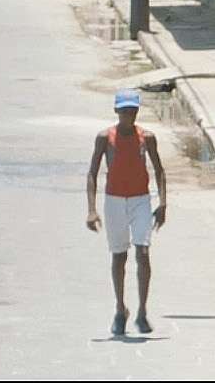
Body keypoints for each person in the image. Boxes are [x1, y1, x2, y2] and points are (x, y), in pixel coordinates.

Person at [86, 88, 169, 338]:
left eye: (132, 111)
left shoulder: (147, 138)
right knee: (119, 256)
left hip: (140, 200)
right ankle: (120, 309)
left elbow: (159, 171)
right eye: (124, 111)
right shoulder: (105, 138)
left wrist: (163, 203)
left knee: (143, 252)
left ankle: (142, 311)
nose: (128, 116)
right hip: (114, 201)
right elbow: (92, 173)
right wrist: (92, 209)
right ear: (116, 111)